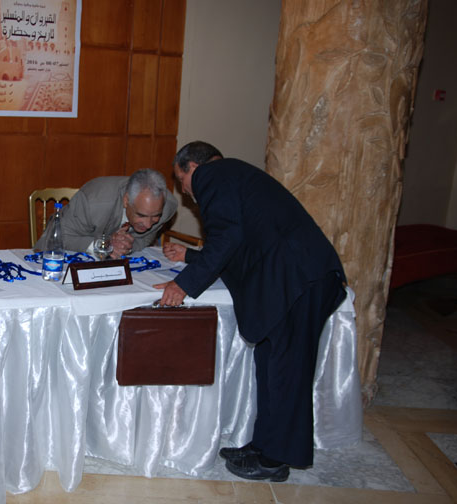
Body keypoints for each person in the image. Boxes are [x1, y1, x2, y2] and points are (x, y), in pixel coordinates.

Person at [155, 141, 347, 482]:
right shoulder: (234, 176)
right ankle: (263, 446)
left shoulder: (213, 175)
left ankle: (275, 460)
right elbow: (240, 243)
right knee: (270, 363)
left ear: (192, 168)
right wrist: (191, 258)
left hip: (300, 279)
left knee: (287, 371)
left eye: (180, 180)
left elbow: (227, 238)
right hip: (292, 279)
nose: (184, 191)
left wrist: (183, 285)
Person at [34, 168, 177, 258]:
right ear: (126, 200)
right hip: (70, 253)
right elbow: (58, 238)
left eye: (155, 216)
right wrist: (103, 246)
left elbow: (144, 239)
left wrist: (126, 246)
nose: (148, 224)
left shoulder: (167, 207)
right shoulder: (93, 201)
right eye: (141, 215)